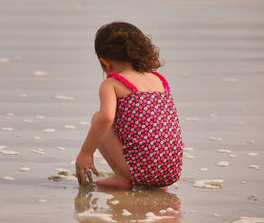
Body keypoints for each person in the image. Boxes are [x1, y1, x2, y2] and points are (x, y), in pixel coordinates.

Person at [75, 21, 183, 189]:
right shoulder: (158, 79)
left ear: (106, 62)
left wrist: (85, 153)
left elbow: (106, 117)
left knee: (99, 118)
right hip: (171, 172)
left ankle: (121, 177)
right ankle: (155, 182)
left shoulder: (112, 83)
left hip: (141, 172)